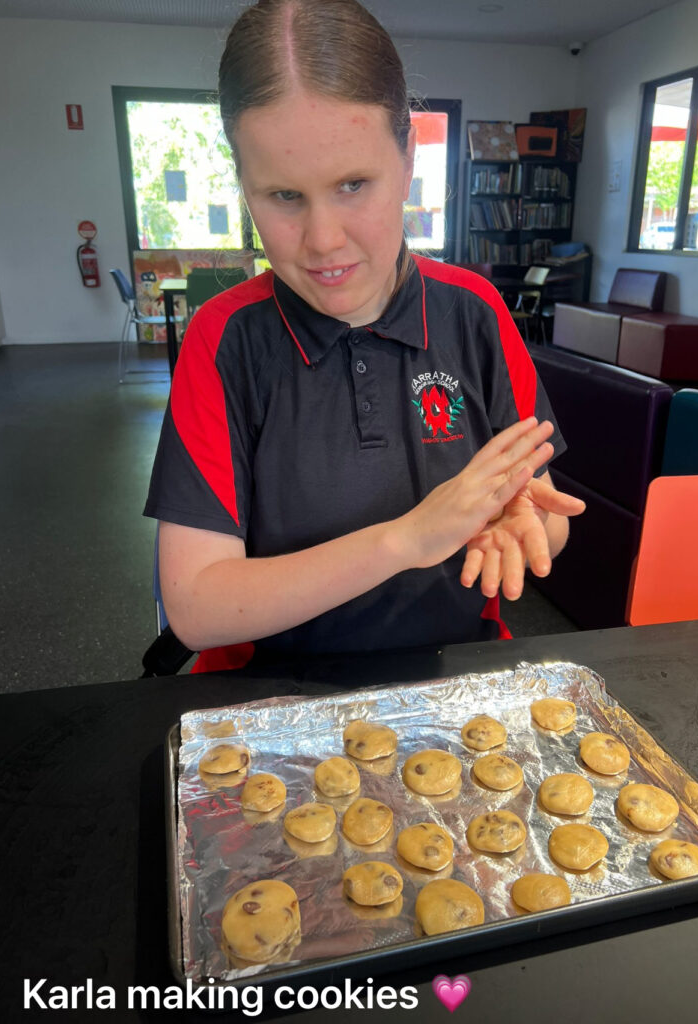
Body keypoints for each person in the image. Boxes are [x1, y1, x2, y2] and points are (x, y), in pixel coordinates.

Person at [144, 0, 585, 672]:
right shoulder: (224, 338)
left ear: (407, 158)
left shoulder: (475, 312)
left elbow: (543, 513)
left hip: (454, 679)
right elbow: (197, 608)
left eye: (353, 184)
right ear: (242, 184)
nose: (322, 242)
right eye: (283, 197)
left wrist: (519, 526)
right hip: (263, 699)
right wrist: (405, 540)